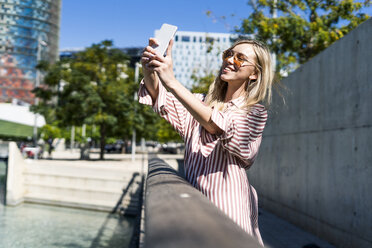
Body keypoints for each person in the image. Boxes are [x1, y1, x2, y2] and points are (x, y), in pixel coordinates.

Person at [138, 37, 274, 246]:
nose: (230, 60)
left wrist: (172, 81)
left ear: (254, 74)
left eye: (240, 58)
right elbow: (159, 96)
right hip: (194, 208)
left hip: (230, 211)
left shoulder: (254, 112)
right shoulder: (200, 102)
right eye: (228, 54)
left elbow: (216, 125)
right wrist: (150, 68)